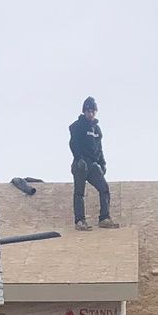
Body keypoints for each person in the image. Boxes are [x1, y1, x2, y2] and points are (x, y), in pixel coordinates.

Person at [67, 97, 117, 232]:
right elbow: (73, 143)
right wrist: (78, 158)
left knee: (104, 188)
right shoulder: (77, 126)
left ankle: (104, 218)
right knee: (79, 192)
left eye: (93, 111)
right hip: (81, 163)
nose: (90, 114)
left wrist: (103, 163)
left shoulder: (97, 129)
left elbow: (99, 148)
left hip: (93, 164)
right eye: (88, 111)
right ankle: (80, 220)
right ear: (84, 111)